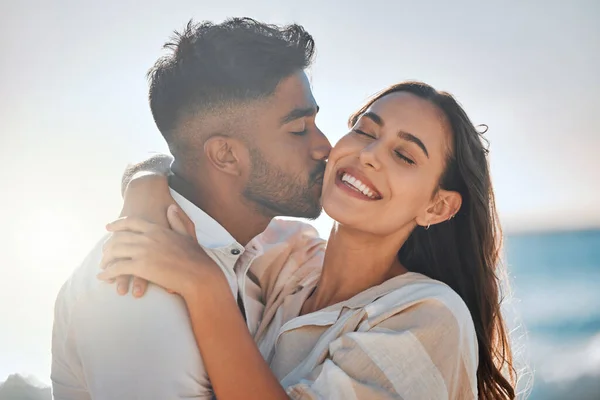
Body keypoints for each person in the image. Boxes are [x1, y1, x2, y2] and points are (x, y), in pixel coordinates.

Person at [100, 82, 517, 399]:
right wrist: (146, 183)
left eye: (404, 156)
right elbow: (198, 169)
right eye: (366, 130)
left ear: (437, 208)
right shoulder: (287, 255)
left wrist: (206, 288)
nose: (369, 154)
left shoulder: (429, 314)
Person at [51, 17, 331, 399]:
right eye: (299, 130)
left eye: (315, 122)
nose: (325, 147)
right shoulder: (139, 293)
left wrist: (145, 176)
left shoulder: (256, 254)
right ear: (226, 155)